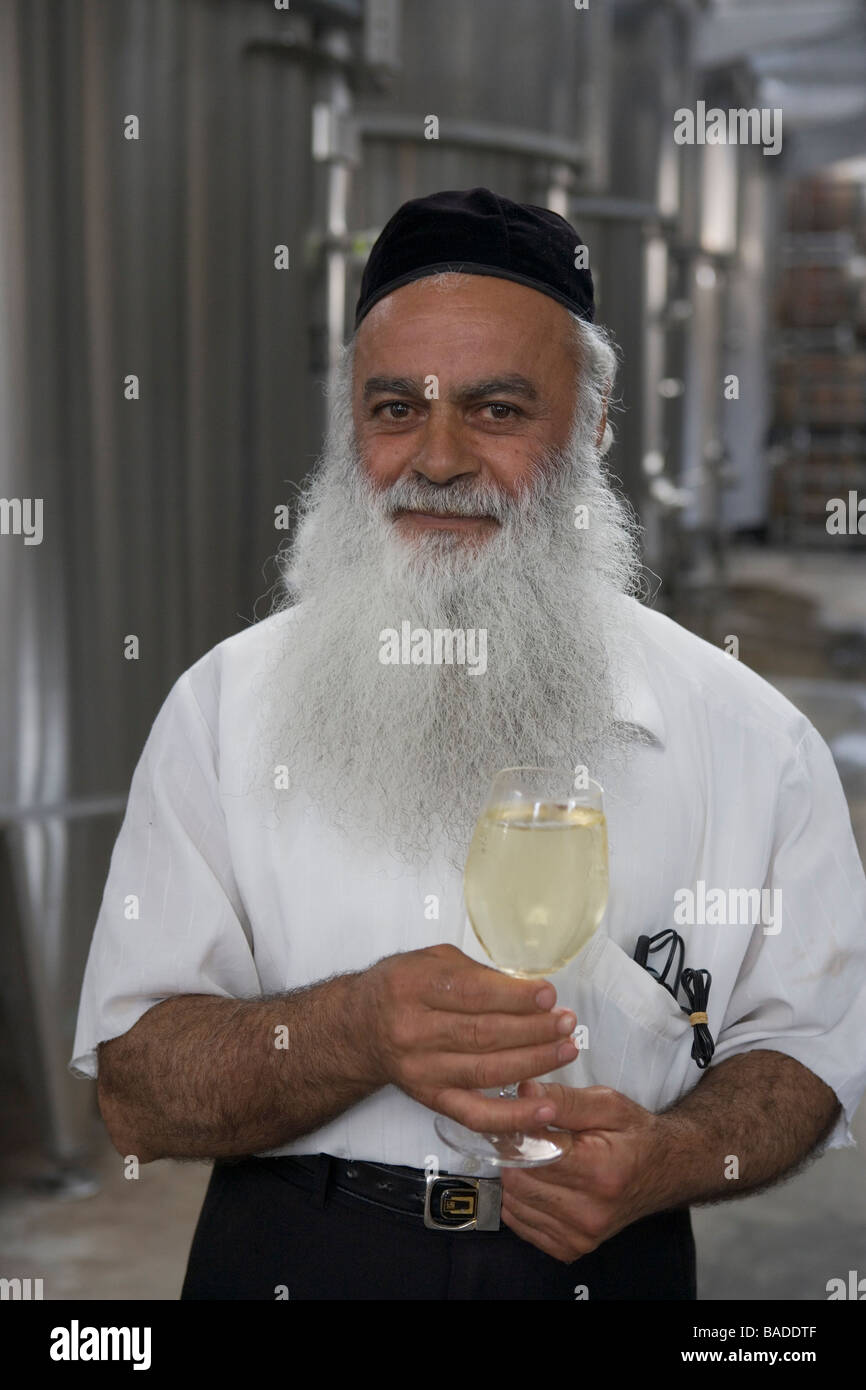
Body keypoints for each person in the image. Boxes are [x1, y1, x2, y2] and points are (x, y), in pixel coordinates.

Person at [70, 187, 866, 1301]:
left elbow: (805, 1058)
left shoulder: (750, 741)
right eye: (395, 407)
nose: (434, 458)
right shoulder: (223, 710)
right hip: (298, 1257)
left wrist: (671, 1157)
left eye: (495, 410)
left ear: (592, 424)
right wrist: (353, 1028)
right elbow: (137, 1091)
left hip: (600, 1265)